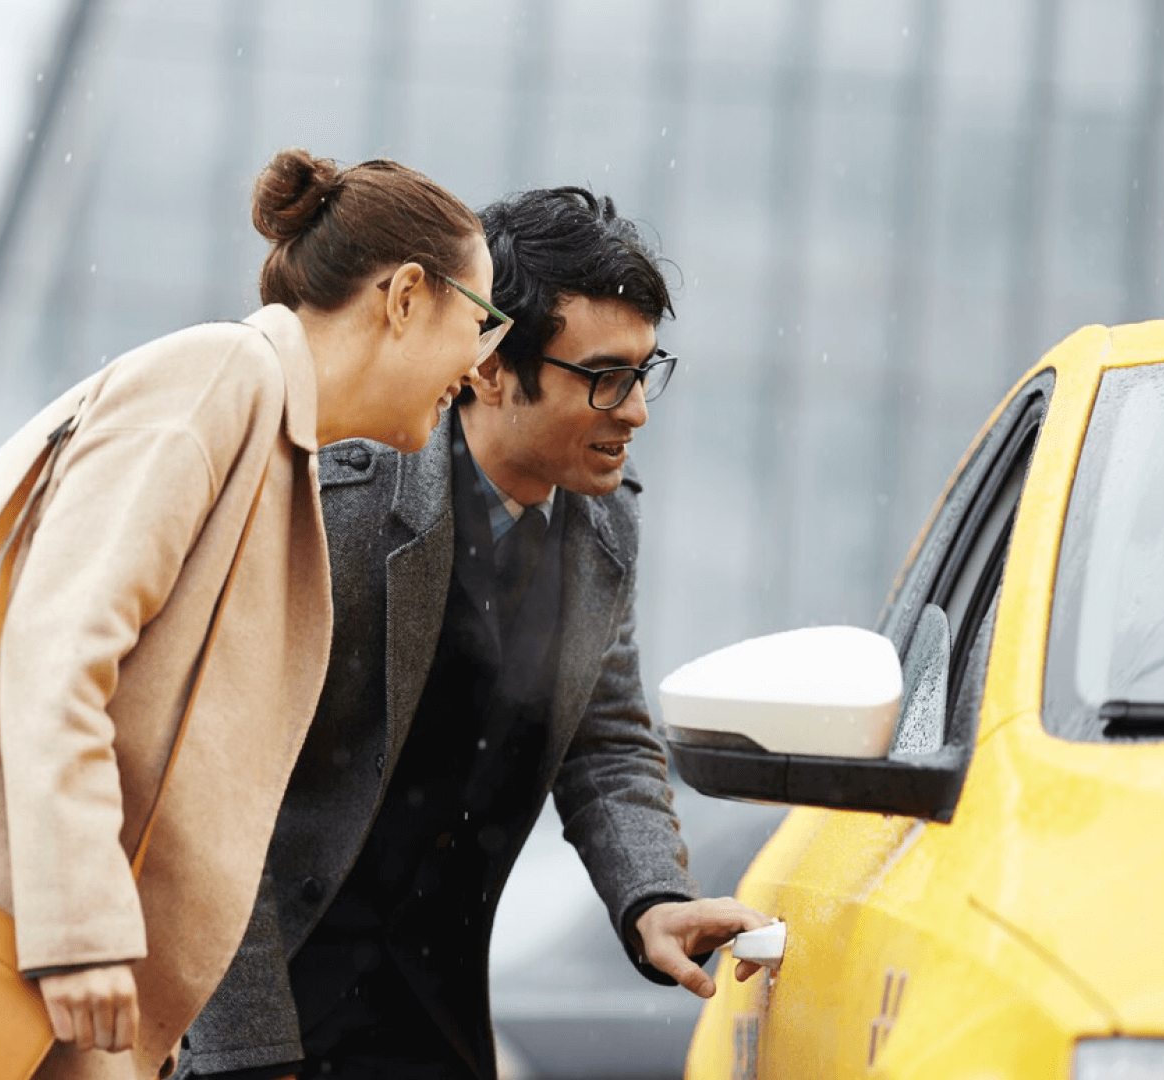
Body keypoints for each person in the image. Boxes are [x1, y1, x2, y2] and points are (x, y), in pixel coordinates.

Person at [0, 148, 505, 1080]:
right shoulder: (222, 377)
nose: (482, 365)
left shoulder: (273, 436)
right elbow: (58, 647)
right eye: (482, 320)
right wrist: (82, 932)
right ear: (406, 296)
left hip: (25, 975)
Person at [180, 187, 772, 1080]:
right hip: (269, 1014)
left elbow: (605, 740)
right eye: (604, 377)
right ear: (489, 366)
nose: (636, 411)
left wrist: (653, 897)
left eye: (645, 372)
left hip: (440, 1021)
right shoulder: (347, 505)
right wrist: (246, 1050)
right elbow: (222, 784)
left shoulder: (605, 527)